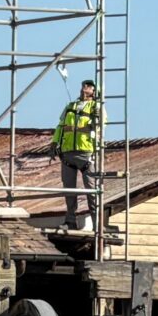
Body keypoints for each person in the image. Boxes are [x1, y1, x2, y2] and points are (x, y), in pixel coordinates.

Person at [54, 77, 103, 235]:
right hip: (68, 152)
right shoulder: (70, 106)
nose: (84, 87)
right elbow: (61, 126)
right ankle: (70, 221)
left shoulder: (96, 107)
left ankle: (97, 224)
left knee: (92, 190)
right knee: (69, 190)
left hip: (86, 152)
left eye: (88, 86)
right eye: (83, 85)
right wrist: (54, 143)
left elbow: (101, 126)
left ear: (94, 91)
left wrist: (97, 118)